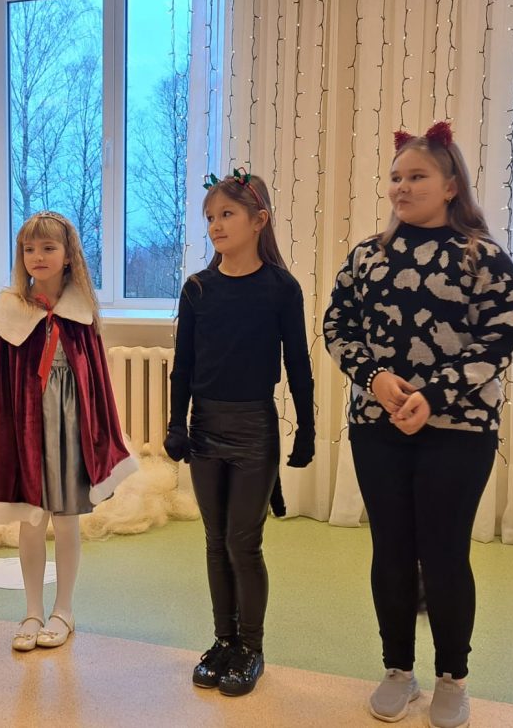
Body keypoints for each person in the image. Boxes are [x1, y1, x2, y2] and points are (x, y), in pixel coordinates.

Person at [324, 122, 513, 728]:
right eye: (395, 177)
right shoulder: (368, 255)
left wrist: (433, 396)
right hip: (377, 423)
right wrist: (376, 379)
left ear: (451, 185)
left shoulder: (484, 257)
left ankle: (452, 678)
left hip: (460, 430)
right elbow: (338, 327)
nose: (402, 187)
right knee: (391, 549)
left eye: (417, 177)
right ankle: (397, 670)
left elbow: (501, 339)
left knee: (443, 553)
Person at [164, 169, 315, 697]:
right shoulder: (198, 289)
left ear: (259, 220)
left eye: (227, 214)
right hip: (206, 426)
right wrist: (175, 423)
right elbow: (183, 365)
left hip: (254, 429)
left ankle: (251, 647)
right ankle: (223, 640)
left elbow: (298, 364)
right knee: (214, 540)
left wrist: (307, 429)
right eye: (210, 216)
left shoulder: (281, 288)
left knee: (242, 542)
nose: (215, 225)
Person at [0, 211, 137, 652]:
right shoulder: (11, 312)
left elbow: (96, 382)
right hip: (26, 428)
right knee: (30, 519)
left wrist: (100, 433)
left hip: (71, 428)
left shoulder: (81, 312)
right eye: (29, 249)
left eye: (48, 248)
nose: (37, 256)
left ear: (68, 255)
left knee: (65, 520)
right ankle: (31, 611)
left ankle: (63, 610)